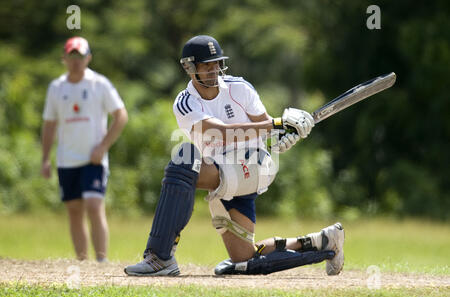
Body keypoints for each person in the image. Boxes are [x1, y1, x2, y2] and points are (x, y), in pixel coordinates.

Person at [124, 35, 344, 276]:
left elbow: (264, 126)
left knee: (183, 162)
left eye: (216, 63)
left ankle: (159, 257)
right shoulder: (185, 102)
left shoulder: (239, 88)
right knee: (244, 260)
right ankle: (324, 241)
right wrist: (278, 124)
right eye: (206, 65)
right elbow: (221, 133)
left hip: (254, 165)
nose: (213, 70)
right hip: (222, 176)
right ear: (189, 68)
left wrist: (283, 135)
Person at [41, 36, 128, 262]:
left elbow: (120, 115)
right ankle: (82, 262)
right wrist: (45, 159)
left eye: (80, 56)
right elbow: (49, 124)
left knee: (93, 205)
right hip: (66, 159)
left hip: (94, 159)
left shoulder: (99, 84)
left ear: (88, 57)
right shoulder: (57, 88)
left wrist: (103, 147)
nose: (76, 61)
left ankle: (101, 262)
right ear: (64, 58)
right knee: (74, 210)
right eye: (72, 56)